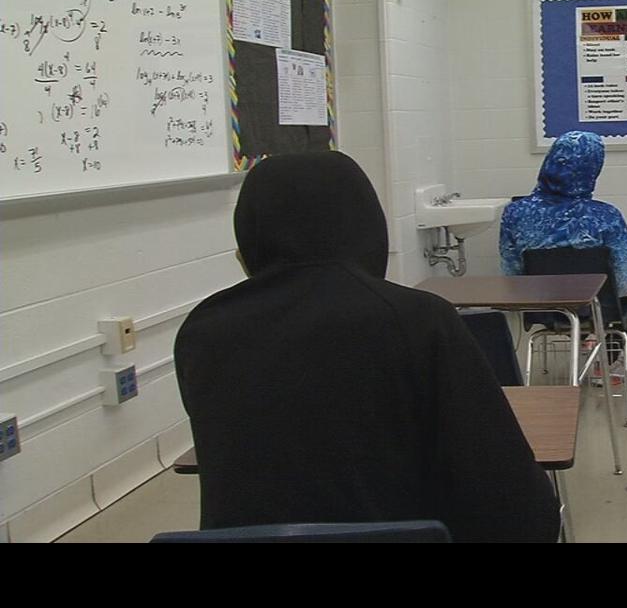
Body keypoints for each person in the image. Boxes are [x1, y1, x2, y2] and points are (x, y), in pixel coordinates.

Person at [175, 151, 560, 543]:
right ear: (368, 228)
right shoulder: (418, 320)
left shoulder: (202, 331)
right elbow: (506, 491)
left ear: (247, 240)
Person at [500, 130, 627, 383]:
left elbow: (512, 274)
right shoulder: (606, 216)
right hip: (597, 307)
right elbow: (624, 285)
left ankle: (585, 339)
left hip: (541, 306)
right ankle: (607, 359)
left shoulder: (515, 213)